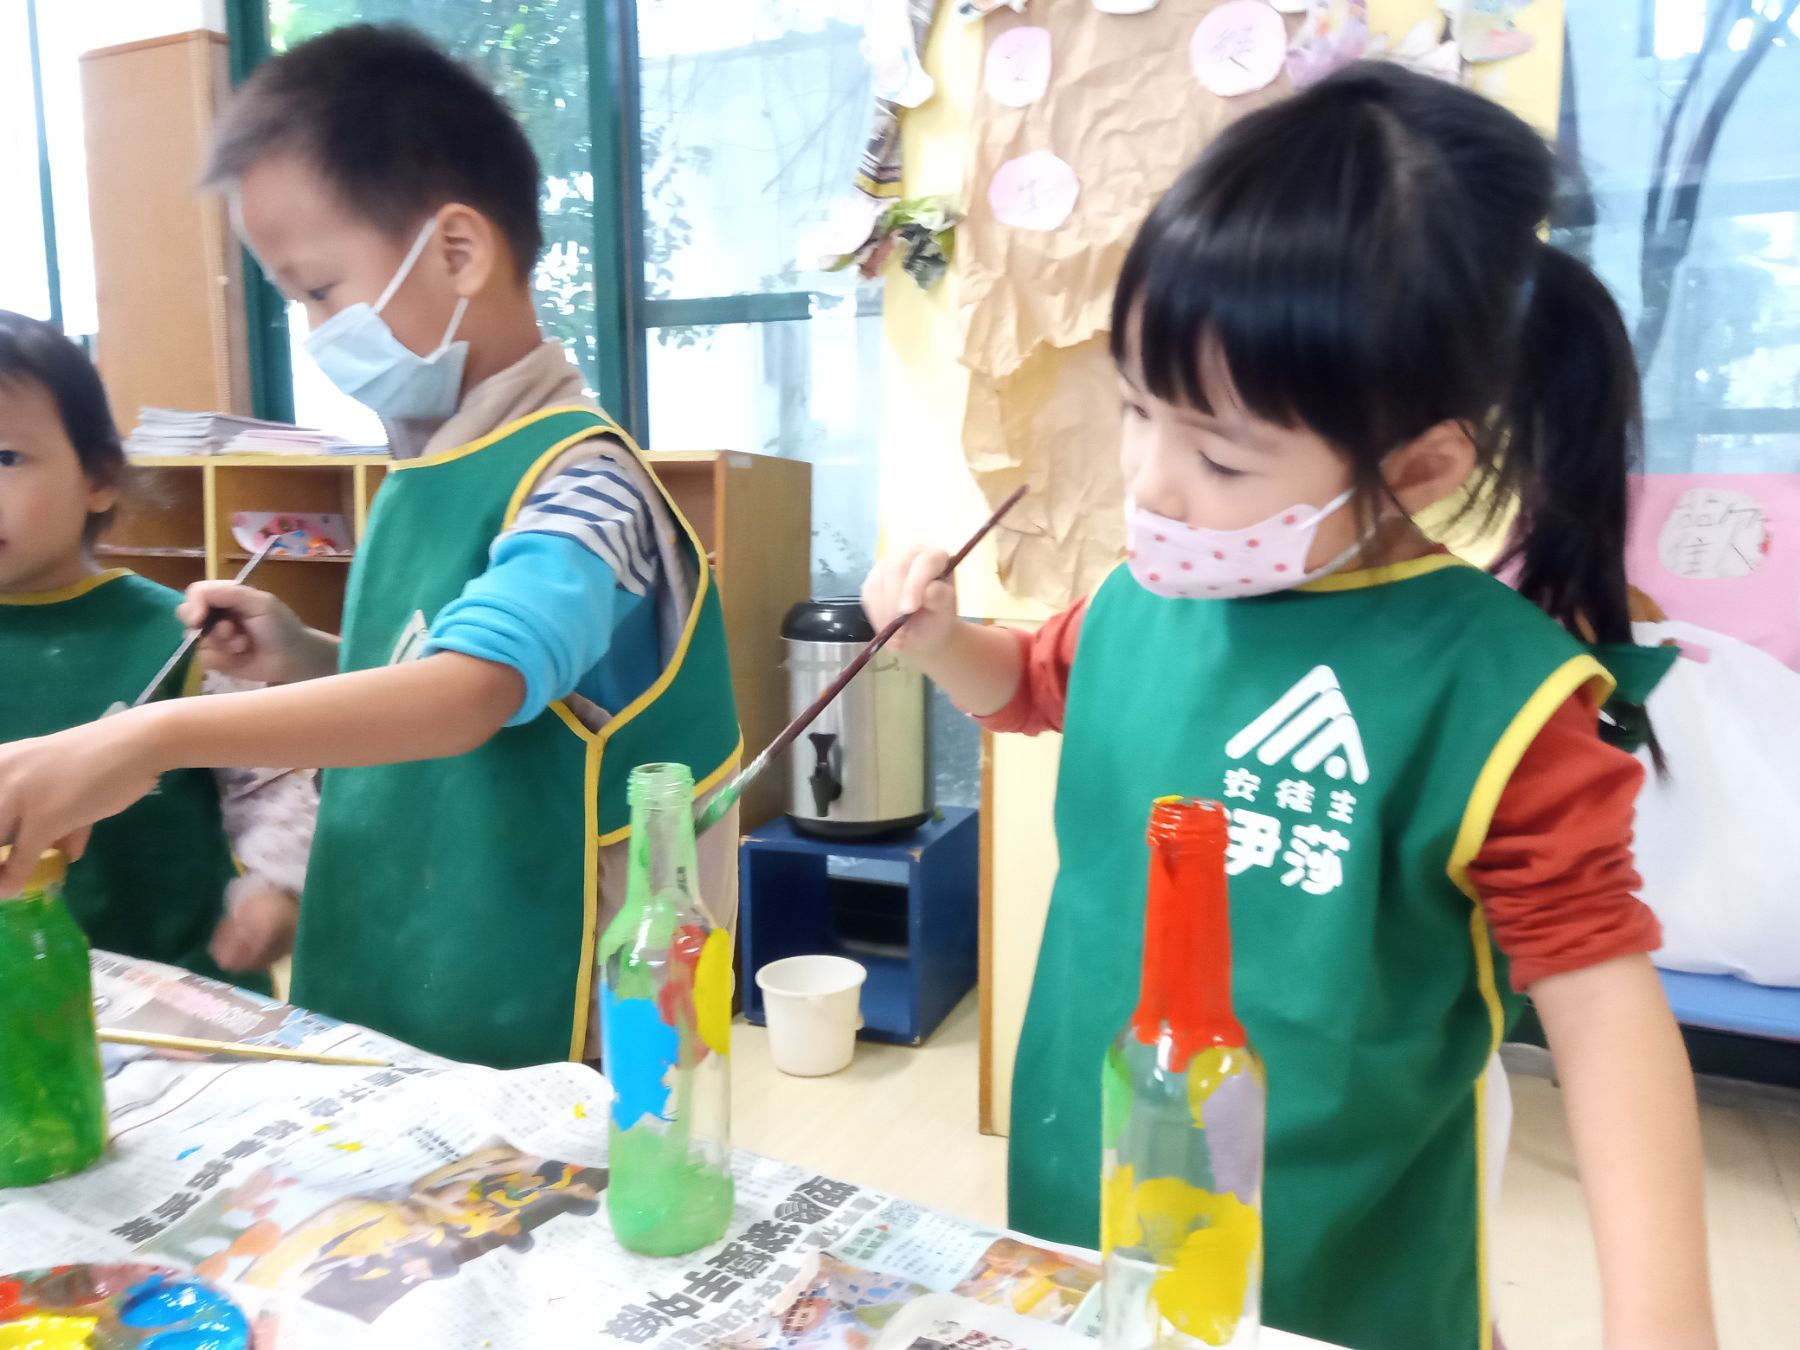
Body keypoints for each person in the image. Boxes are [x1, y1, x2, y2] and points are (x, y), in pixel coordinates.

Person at [862, 65, 1714, 1350]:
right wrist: (941, 644)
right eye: (1136, 409)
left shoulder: (1498, 692)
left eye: (1218, 454)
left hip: (1333, 1267)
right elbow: (1034, 682)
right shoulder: (1141, 599)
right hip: (1094, 1186)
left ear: (1420, 464)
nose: (1151, 484)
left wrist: (1663, 1321)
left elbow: (1602, 1009)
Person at [0, 26, 741, 1071]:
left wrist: (147, 739)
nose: (312, 331)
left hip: (564, 1009)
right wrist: (304, 655)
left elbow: (471, 692)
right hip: (420, 965)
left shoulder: (587, 489)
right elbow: (434, 674)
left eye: (319, 290)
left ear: (457, 252)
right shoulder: (426, 470)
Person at [0, 309, 308, 985]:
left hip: (181, 1000)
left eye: (5, 458)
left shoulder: (188, 634)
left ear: (99, 478)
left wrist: (274, 888)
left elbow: (270, 783)